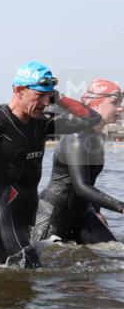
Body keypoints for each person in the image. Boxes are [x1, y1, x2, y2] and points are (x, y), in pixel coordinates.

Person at [0, 61, 102, 268]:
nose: (46, 103)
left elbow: (92, 118)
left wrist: (59, 97)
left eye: (49, 97)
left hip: (27, 219)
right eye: (40, 96)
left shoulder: (41, 123)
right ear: (19, 91)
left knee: (26, 286)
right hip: (2, 220)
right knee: (28, 277)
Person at [33, 79, 124, 244]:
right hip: (52, 213)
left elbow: (89, 180)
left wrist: (96, 210)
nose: (120, 108)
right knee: (41, 265)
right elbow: (81, 186)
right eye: (114, 102)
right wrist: (121, 206)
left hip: (82, 213)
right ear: (95, 105)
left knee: (116, 253)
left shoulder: (98, 136)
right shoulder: (77, 136)